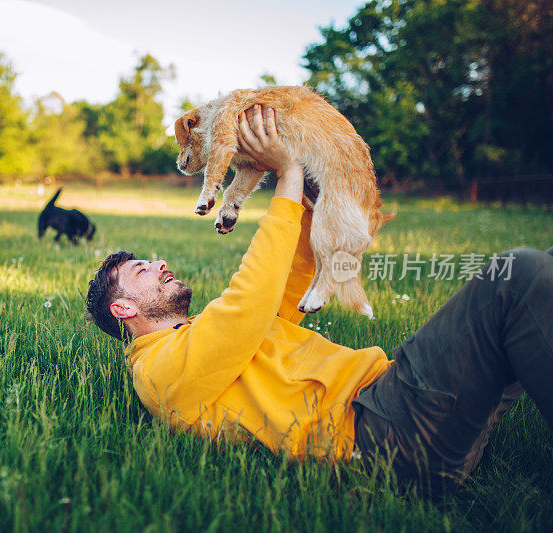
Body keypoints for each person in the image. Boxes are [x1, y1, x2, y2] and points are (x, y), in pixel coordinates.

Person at [85, 105, 553, 497]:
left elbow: (286, 286)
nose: (159, 263)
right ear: (124, 309)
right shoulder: (159, 372)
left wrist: (308, 195)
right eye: (142, 271)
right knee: (519, 276)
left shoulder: (204, 334)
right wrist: (286, 173)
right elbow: (250, 299)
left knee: (544, 269)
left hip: (408, 409)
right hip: (381, 436)